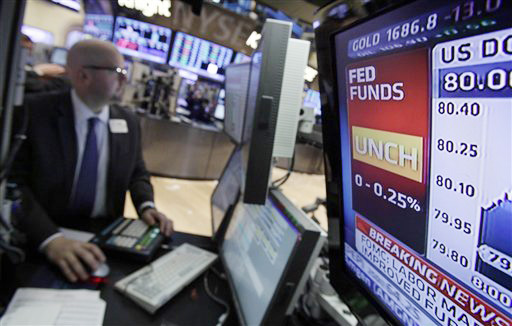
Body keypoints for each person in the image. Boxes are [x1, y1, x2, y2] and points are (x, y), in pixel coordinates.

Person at [11, 39, 173, 282]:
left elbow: (137, 172)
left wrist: (146, 205)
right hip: (44, 234)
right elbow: (14, 186)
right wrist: (51, 240)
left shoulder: (128, 121)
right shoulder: (34, 114)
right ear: (83, 76)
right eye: (117, 72)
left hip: (105, 238)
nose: (124, 80)